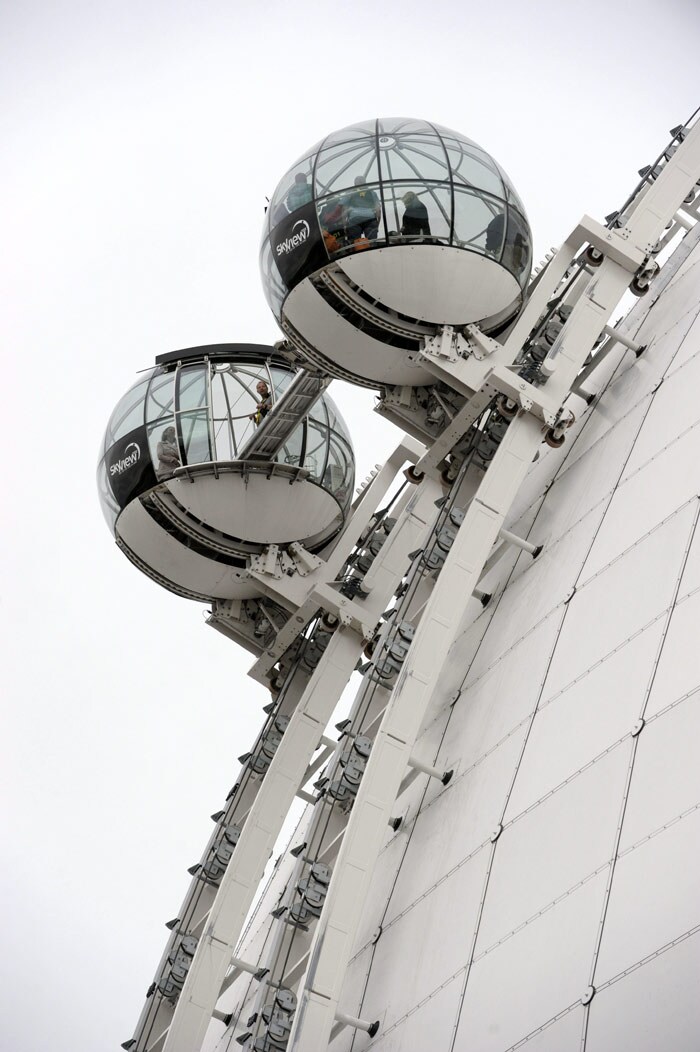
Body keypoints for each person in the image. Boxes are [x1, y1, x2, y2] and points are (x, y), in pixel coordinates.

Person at [344, 176, 380, 244]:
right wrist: (377, 223)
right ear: (365, 182)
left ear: (355, 184)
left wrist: (344, 224)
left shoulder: (350, 193)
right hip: (370, 218)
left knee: (355, 243)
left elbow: (344, 209)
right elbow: (378, 209)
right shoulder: (372, 193)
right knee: (372, 243)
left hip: (354, 219)